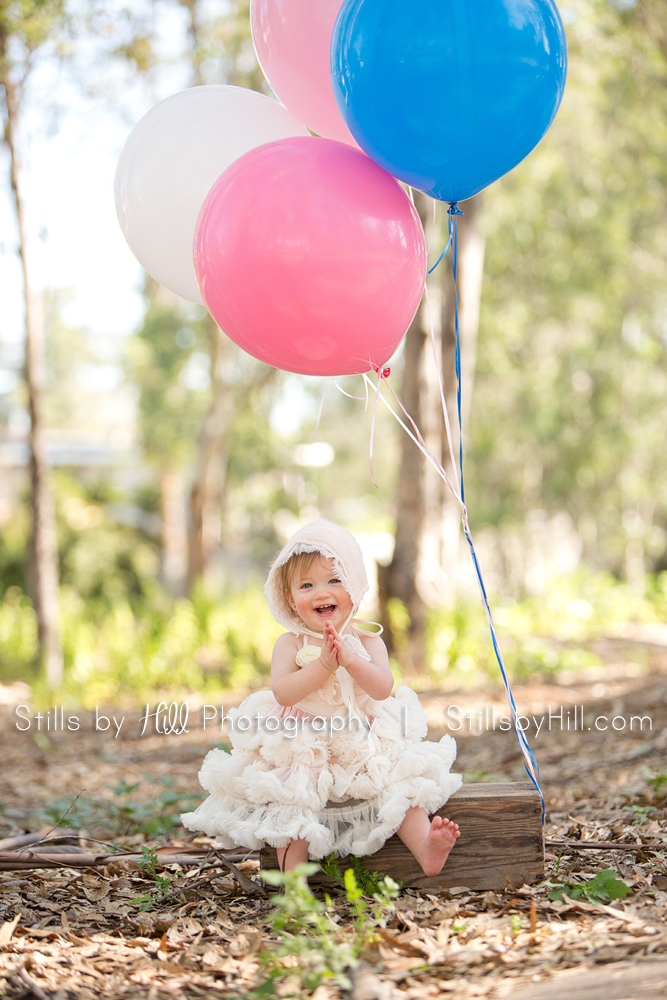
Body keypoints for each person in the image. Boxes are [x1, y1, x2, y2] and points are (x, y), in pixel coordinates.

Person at [182, 519, 461, 875]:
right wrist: (324, 666)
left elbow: (382, 689)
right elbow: (283, 693)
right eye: (307, 585)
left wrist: (351, 660)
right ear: (290, 599)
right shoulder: (291, 643)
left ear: (356, 586)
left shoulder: (369, 641)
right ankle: (293, 881)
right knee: (291, 800)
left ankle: (426, 848)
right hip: (304, 741)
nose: (321, 592)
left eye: (334, 580)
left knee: (398, 781)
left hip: (361, 735)